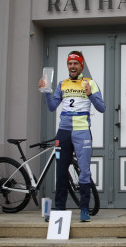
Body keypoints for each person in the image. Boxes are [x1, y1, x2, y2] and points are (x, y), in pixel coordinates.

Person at [39, 51, 105, 222]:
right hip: (64, 132)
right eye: (70, 64)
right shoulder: (62, 84)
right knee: (61, 171)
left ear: (81, 65)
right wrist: (46, 91)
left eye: (76, 63)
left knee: (84, 171)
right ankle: (59, 209)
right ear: (67, 66)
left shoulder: (90, 83)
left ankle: (84, 208)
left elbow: (102, 108)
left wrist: (90, 94)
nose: (72, 66)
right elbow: (53, 107)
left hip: (82, 131)